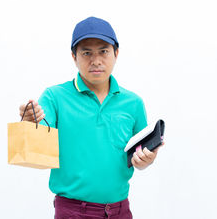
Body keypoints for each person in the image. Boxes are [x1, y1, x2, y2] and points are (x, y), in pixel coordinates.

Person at [19, 17, 163, 219]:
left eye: (103, 51)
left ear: (116, 53)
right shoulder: (55, 97)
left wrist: (146, 160)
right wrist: (30, 123)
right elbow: (37, 140)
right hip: (73, 211)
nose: (96, 61)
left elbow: (139, 157)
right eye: (87, 53)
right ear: (73, 56)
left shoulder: (133, 103)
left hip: (120, 210)